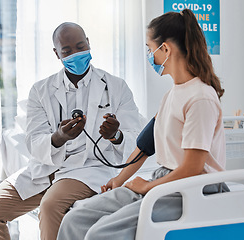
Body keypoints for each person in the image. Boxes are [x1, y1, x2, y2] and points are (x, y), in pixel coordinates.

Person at [57, 9, 228, 240]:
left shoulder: (200, 98)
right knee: (75, 218)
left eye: (150, 48)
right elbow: (145, 145)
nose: (149, 55)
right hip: (165, 180)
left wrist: (147, 187)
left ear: (165, 49)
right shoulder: (173, 94)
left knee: (100, 233)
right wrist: (119, 180)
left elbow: (193, 168)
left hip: (193, 189)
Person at [0, 22, 141, 240]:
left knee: (50, 205)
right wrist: (58, 138)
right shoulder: (41, 90)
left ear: (89, 44)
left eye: (81, 46)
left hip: (86, 170)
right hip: (45, 170)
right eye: (67, 51)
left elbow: (135, 141)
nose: (76, 53)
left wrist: (115, 136)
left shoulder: (116, 87)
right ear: (57, 54)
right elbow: (34, 140)